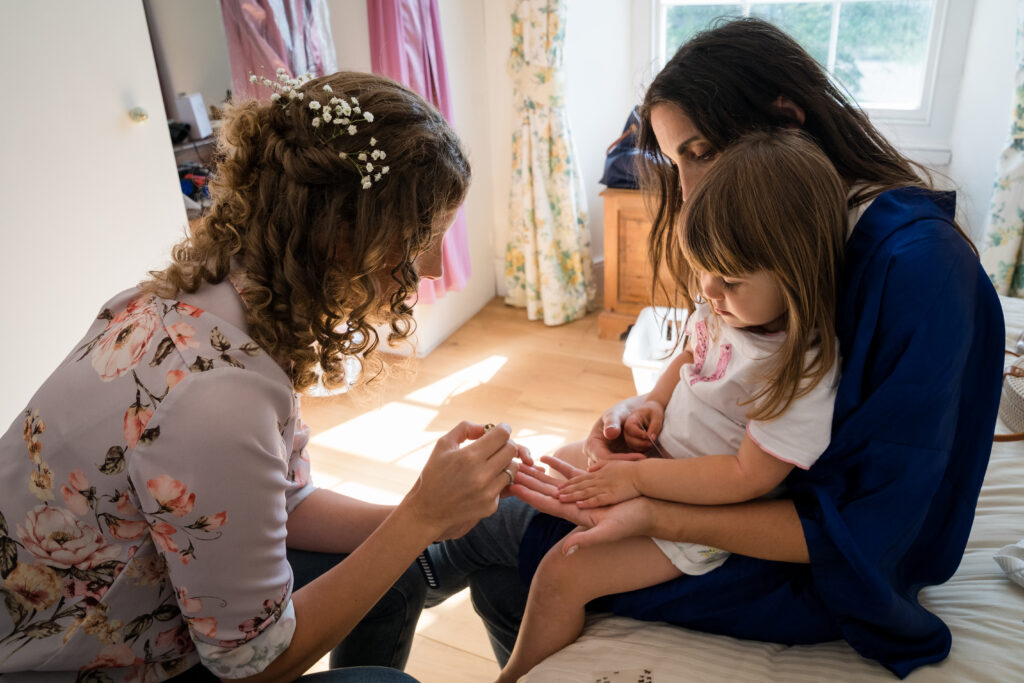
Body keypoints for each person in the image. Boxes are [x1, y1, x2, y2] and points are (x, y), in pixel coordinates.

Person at [424, 16, 1005, 679]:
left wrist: (650, 501)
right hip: (739, 505)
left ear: (788, 121)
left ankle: (396, 569)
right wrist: (647, 414)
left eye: (698, 153)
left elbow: (870, 531)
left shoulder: (916, 268)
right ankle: (400, 569)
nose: (690, 190)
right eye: (676, 164)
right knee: (509, 553)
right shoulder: (780, 246)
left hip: (810, 565)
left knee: (509, 545)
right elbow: (706, 363)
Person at [0, 70, 526, 682]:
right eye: (422, 236)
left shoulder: (212, 306)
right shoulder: (215, 396)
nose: (432, 265)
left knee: (398, 569)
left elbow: (288, 503)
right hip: (76, 662)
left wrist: (427, 512)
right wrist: (420, 521)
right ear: (340, 232)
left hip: (144, 605)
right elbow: (251, 667)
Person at [497, 130, 848, 682]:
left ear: (798, 270)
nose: (708, 290)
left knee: (561, 574)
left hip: (702, 519)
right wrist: (650, 401)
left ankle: (514, 676)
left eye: (729, 280)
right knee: (559, 460)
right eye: (701, 270)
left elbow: (746, 478)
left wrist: (640, 484)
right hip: (658, 461)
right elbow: (692, 354)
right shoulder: (726, 308)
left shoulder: (800, 368)